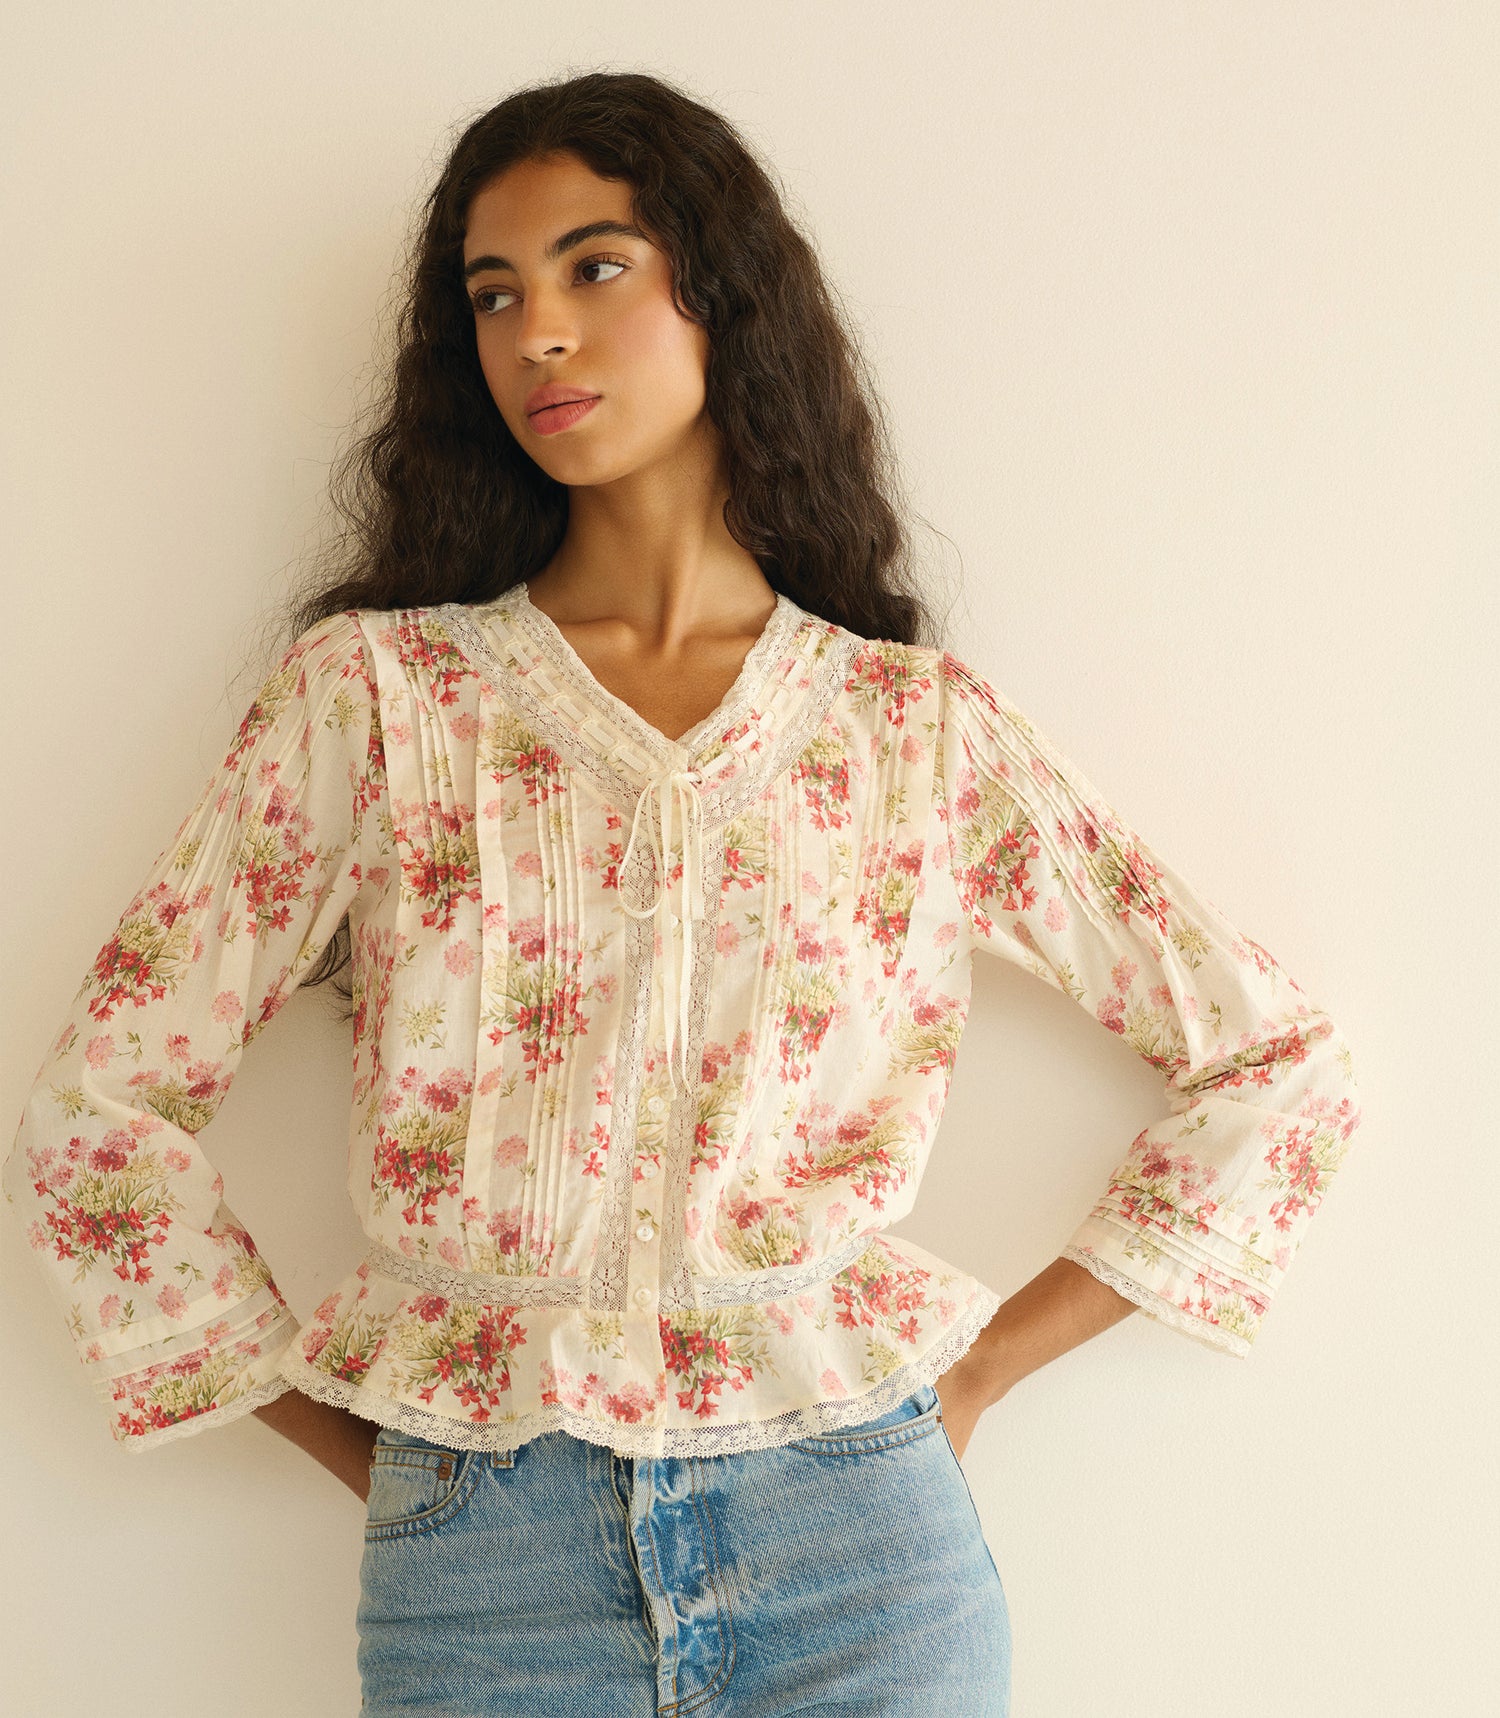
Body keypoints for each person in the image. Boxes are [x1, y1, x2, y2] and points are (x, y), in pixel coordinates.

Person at [3, 69, 1362, 1718]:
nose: (536, 336)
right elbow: (102, 1106)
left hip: (859, 1540)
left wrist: (976, 1379)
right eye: (493, 296)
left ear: (722, 296)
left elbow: (1273, 1062)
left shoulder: (907, 730)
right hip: (480, 1563)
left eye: (594, 268)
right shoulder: (374, 702)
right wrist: (372, 1440)